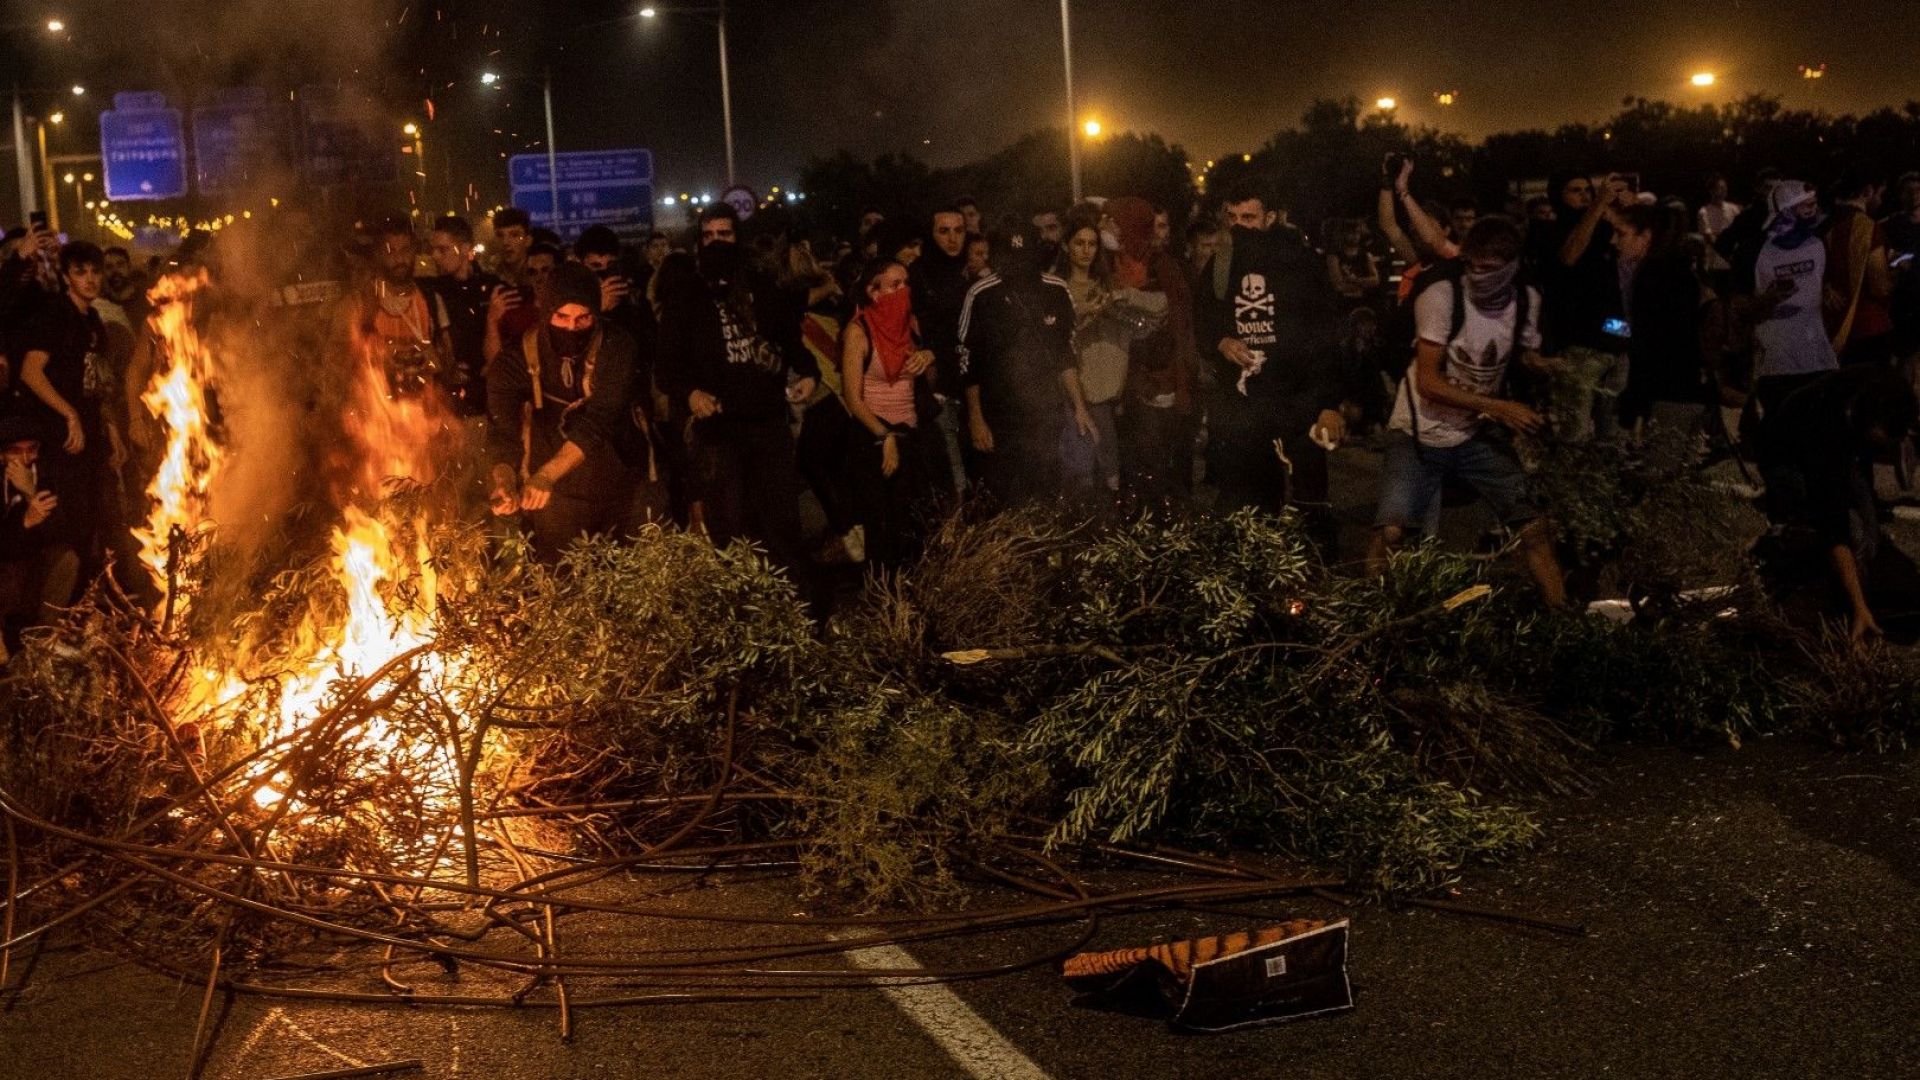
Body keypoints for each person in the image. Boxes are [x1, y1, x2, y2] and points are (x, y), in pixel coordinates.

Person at [1368, 217, 1566, 607]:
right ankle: (1371, 611)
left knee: (1534, 527)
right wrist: (1501, 408)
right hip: (1419, 428)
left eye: (1489, 269)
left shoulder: (1526, 299)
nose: (1478, 276)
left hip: (1474, 431)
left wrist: (1548, 368)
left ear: (1511, 266)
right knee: (1391, 532)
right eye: (1472, 265)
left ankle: (1563, 617)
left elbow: (1522, 354)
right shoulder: (1441, 296)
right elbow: (1429, 382)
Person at [657, 205, 818, 575]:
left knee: (780, 523)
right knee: (730, 527)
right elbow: (666, 365)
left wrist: (808, 374)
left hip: (767, 424)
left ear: (737, 237)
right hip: (718, 430)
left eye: (724, 234)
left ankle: (789, 599)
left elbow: (791, 341)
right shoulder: (687, 293)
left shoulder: (763, 286)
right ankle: (743, 602)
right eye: (709, 236)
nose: (716, 242)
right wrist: (691, 393)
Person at [1195, 185, 1351, 547]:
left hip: (1298, 405)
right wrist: (1221, 341)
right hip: (1245, 410)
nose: (1239, 227)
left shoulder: (1300, 263)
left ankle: (1313, 570)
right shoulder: (1222, 263)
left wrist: (1329, 404)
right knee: (1247, 509)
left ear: (1270, 218)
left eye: (1249, 218)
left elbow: (1327, 336)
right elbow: (1202, 317)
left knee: (1307, 507)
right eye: (1232, 218)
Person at [485, 263, 663, 560]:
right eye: (562, 317)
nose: (571, 328)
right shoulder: (515, 359)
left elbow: (598, 421)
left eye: (582, 318)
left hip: (623, 483)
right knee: (562, 574)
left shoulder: (617, 346)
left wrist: (546, 476)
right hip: (558, 498)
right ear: (546, 313)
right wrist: (504, 481)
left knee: (627, 571)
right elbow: (502, 430)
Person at [1758, 365, 1917, 645]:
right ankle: (1783, 545)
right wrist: (1858, 607)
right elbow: (1834, 526)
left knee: (1870, 537)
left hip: (1845, 445)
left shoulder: (1892, 393)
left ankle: (1858, 588)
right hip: (1783, 454)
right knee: (1842, 532)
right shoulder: (1823, 431)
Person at [10, 241, 114, 567]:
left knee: (96, 521)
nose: (90, 279)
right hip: (60, 437)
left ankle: (93, 587)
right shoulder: (55, 314)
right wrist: (69, 413)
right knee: (68, 524)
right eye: (81, 272)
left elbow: (97, 380)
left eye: (95, 271)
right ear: (67, 276)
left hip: (91, 433)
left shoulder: (93, 318)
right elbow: (30, 371)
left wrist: (110, 427)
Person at [957, 229, 1079, 507]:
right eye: (1011, 258)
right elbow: (968, 360)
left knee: (1045, 488)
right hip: (997, 413)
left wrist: (1079, 407)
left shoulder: (1056, 289)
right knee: (999, 493)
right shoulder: (982, 293)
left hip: (1045, 410)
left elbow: (1066, 353)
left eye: (1024, 257)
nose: (1019, 266)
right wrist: (976, 418)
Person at [841, 259, 950, 566]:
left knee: (917, 524)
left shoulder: (910, 325)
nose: (903, 291)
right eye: (894, 285)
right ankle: (884, 590)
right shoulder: (858, 332)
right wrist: (884, 435)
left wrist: (928, 357)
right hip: (874, 433)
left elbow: (931, 380)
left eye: (906, 284)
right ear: (874, 292)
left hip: (910, 431)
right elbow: (853, 398)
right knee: (883, 528)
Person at [1612, 203, 1708, 432]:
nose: (1614, 241)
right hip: (1674, 382)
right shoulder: (1670, 270)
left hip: (1666, 386)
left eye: (1621, 234)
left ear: (1646, 236)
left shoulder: (1656, 276)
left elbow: (1646, 334)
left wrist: (1606, 326)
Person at [911, 205, 978, 495]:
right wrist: (931, 354)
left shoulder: (973, 271)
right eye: (944, 231)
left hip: (975, 377)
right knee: (953, 469)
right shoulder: (918, 275)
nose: (952, 238)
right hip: (940, 382)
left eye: (958, 230)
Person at [1054, 218, 1123, 495]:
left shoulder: (1104, 284)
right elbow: (1058, 336)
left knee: (1110, 464)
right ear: (1066, 246)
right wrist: (1082, 314)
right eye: (1079, 243)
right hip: (1073, 383)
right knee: (1081, 465)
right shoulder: (1058, 287)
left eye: (1092, 244)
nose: (1086, 251)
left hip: (1106, 383)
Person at [0, 416, 76, 663]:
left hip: (32, 565)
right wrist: (24, 522)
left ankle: (45, 639)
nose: (24, 458)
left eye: (31, 449)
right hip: (5, 567)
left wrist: (29, 491)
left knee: (66, 559)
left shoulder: (47, 475)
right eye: (15, 451)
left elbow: (61, 532)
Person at [424, 214, 501, 420]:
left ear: (466, 248)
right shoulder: (433, 291)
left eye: (443, 249)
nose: (435, 256)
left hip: (490, 391)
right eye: (433, 250)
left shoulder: (491, 287)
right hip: (452, 394)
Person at [1819, 167, 1895, 366]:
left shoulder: (1821, 226)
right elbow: (1880, 286)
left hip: (1829, 328)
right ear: (1868, 191)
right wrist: (1896, 272)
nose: (1881, 201)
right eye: (1880, 194)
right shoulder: (1867, 228)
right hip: (1868, 327)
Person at [1325, 218, 1381, 301]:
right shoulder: (1334, 256)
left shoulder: (1366, 255)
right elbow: (1338, 285)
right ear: (1343, 234)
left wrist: (1355, 280)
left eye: (1357, 232)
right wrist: (1363, 285)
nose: (1355, 236)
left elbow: (1375, 280)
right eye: (1351, 233)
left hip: (1364, 299)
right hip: (1342, 300)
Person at [488, 207, 534, 285]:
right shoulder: (491, 277)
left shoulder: (537, 275)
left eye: (514, 235)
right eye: (500, 235)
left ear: (528, 240)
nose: (505, 242)